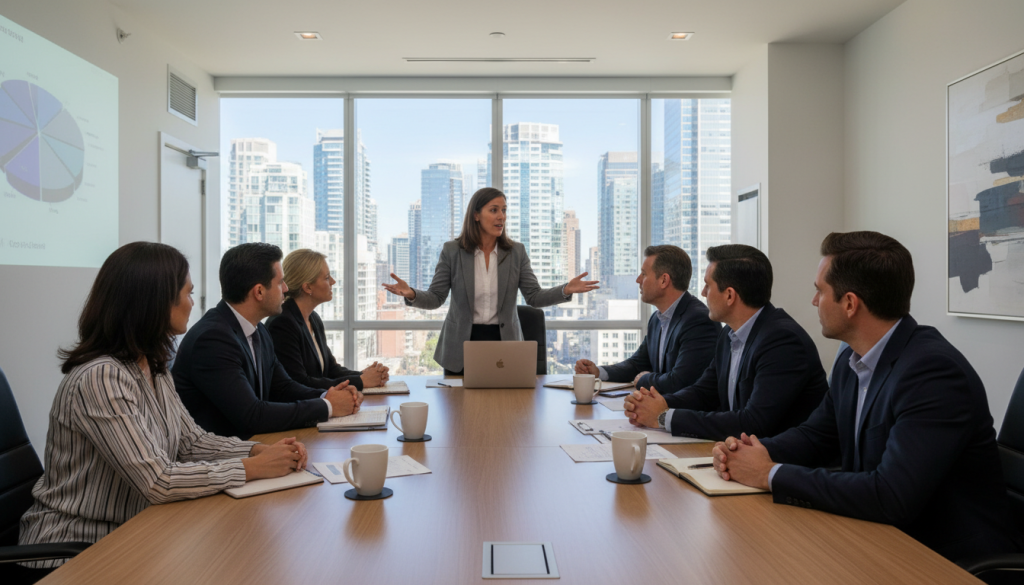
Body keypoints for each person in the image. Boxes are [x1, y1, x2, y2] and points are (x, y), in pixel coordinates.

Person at [712, 232, 1022, 562]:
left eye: (820, 291)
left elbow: (891, 495)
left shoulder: (933, 373)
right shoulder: (853, 359)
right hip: (877, 539)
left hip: (945, 559)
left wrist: (769, 474)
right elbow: (816, 435)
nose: (814, 301)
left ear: (849, 303)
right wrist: (745, 452)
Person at [18, 242, 306, 573]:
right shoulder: (101, 378)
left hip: (134, 531)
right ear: (154, 302)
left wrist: (257, 451)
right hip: (75, 551)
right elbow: (158, 480)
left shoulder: (151, 366)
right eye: (186, 293)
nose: (191, 303)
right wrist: (251, 468)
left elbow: (191, 443)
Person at [383, 187, 599, 375]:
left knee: (504, 414)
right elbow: (436, 298)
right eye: (494, 210)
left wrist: (566, 289)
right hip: (461, 346)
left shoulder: (516, 252)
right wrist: (411, 293)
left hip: (504, 343)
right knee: (460, 416)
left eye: (504, 210)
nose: (501, 216)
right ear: (476, 215)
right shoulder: (453, 251)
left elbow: (534, 296)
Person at [625, 244, 828, 441]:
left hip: (780, 464)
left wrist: (664, 416)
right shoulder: (729, 333)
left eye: (708, 285)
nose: (703, 293)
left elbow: (753, 422)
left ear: (729, 295)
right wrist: (653, 405)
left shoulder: (782, 341)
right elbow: (704, 392)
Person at [173, 243, 361, 439]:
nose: (286, 289)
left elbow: (283, 387)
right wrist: (328, 407)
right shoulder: (213, 339)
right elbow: (251, 415)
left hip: (255, 447)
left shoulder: (258, 330)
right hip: (221, 460)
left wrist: (328, 395)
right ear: (259, 292)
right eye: (280, 283)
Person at [575, 245, 719, 390]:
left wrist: (645, 379)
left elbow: (680, 381)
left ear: (664, 280)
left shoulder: (698, 321)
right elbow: (637, 364)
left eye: (644, 274)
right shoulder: (657, 319)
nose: (638, 280)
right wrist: (598, 372)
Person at [267, 248, 389, 391]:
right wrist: (361, 381)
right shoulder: (282, 324)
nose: (333, 281)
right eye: (326, 278)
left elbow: (331, 370)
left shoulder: (313, 318)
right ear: (307, 287)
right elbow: (299, 383)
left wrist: (366, 375)